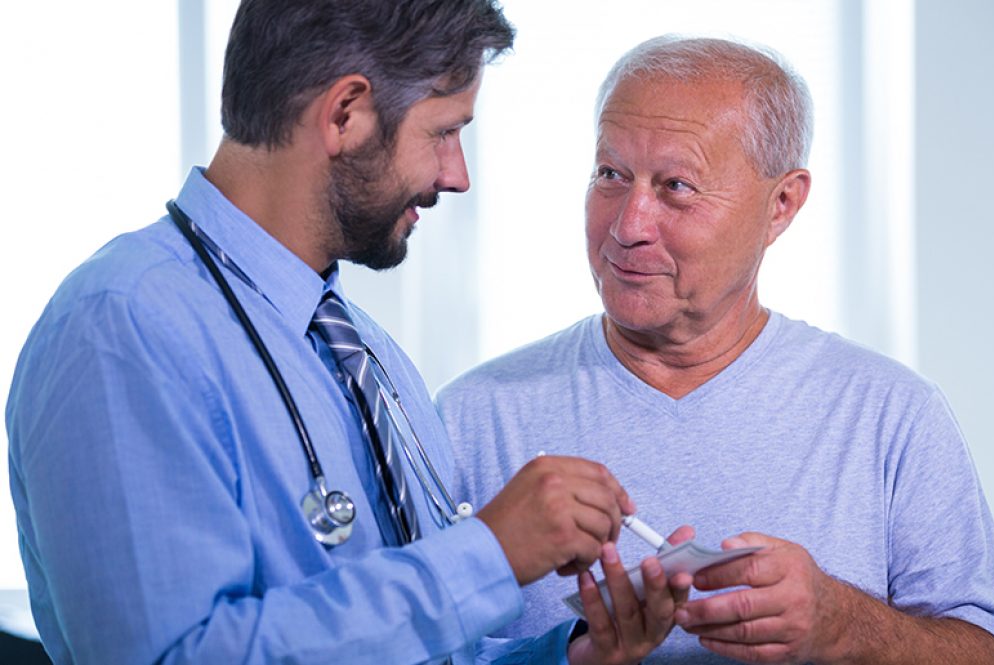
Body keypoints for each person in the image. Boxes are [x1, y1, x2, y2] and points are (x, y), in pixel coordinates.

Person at [5, 3, 689, 664]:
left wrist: (575, 657)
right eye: (443, 132)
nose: (457, 176)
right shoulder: (120, 331)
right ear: (346, 114)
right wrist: (487, 553)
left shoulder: (370, 357)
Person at [436, 35, 994, 664]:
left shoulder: (891, 415)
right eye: (611, 175)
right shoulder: (471, 417)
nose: (627, 225)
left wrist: (840, 625)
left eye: (677, 186)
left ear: (782, 205)